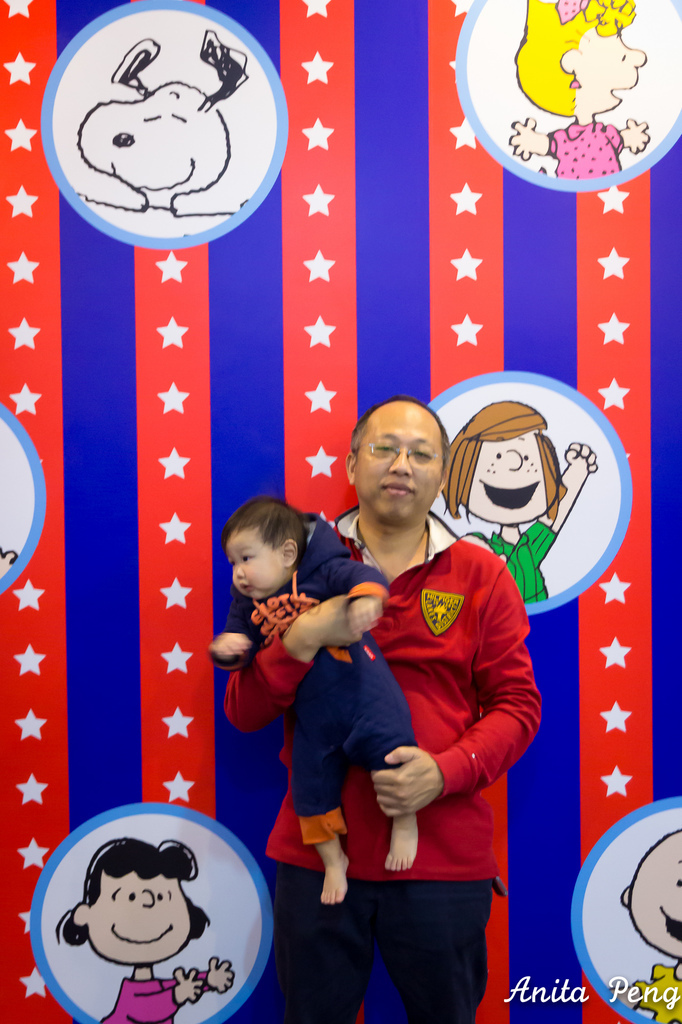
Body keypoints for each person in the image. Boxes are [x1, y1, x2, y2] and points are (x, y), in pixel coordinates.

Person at [223, 396, 542, 1024]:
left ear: (443, 473)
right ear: (351, 463)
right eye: (384, 448)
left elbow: (518, 705)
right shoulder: (288, 561)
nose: (402, 464)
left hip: (442, 859)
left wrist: (444, 771)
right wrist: (301, 640)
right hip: (319, 856)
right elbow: (242, 711)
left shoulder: (482, 573)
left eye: (421, 454)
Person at [210, 497, 419, 904]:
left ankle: (405, 821)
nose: (238, 573)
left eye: (246, 559)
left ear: (288, 553)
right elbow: (239, 641)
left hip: (364, 693)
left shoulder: (323, 570)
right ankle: (333, 860)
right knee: (309, 788)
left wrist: (365, 600)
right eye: (233, 563)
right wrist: (230, 647)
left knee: (393, 749)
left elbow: (362, 576)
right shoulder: (246, 603)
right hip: (312, 717)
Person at [57, 837, 234, 1023]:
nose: (147, 905)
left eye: (161, 896)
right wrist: (177, 996)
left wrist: (208, 980)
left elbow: (173, 985)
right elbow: (144, 1009)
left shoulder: (154, 985)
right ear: (85, 914)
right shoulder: (131, 992)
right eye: (130, 897)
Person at [444, 400, 597, 603]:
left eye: (526, 457)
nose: (514, 463)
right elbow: (464, 551)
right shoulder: (486, 547)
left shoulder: (529, 547)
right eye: (498, 455)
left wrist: (578, 470)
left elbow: (553, 518)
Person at [509, 0, 648, 179]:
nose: (640, 58)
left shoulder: (607, 134)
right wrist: (529, 141)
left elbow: (622, 139)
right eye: (622, 57)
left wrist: (634, 137)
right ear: (574, 64)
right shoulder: (566, 140)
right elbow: (546, 145)